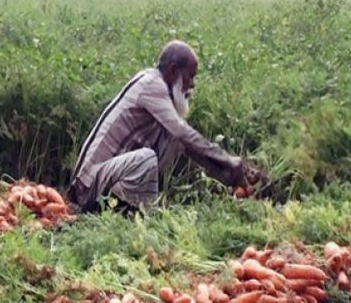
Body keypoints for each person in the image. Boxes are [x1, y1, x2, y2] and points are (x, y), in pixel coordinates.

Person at [67, 40, 264, 212]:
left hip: (106, 178)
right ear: (172, 70)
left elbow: (185, 142)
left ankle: (234, 185)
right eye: (190, 76)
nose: (192, 84)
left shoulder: (160, 91)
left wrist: (227, 171)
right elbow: (183, 133)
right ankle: (138, 214)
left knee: (174, 140)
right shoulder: (151, 85)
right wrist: (226, 159)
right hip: (88, 185)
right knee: (147, 158)